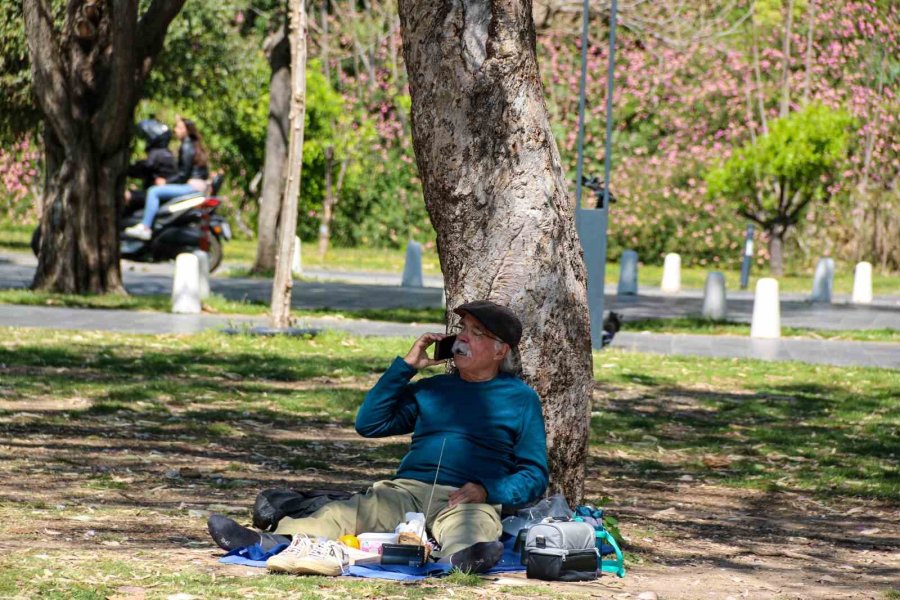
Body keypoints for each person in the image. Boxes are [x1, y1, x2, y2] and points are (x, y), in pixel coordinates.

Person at [207, 300, 549, 576]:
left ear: (500, 350)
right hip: (406, 490)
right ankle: (267, 541)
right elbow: (369, 423)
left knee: (472, 529)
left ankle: (461, 560)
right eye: (461, 329)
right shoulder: (432, 389)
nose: (462, 339)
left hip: (466, 497)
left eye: (476, 333)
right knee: (345, 513)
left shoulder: (520, 399)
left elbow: (534, 474)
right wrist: (405, 367)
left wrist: (488, 490)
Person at [124, 116, 210, 240]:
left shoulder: (186, 146)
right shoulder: (193, 144)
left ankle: (145, 227)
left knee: (154, 191)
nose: (175, 130)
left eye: (179, 128)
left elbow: (183, 174)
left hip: (192, 186)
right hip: (197, 185)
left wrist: (166, 182)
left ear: (187, 130)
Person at [124, 119, 177, 209]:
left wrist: (126, 169)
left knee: (126, 195)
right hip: (158, 192)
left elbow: (145, 167)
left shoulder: (157, 153)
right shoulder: (164, 153)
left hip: (158, 195)